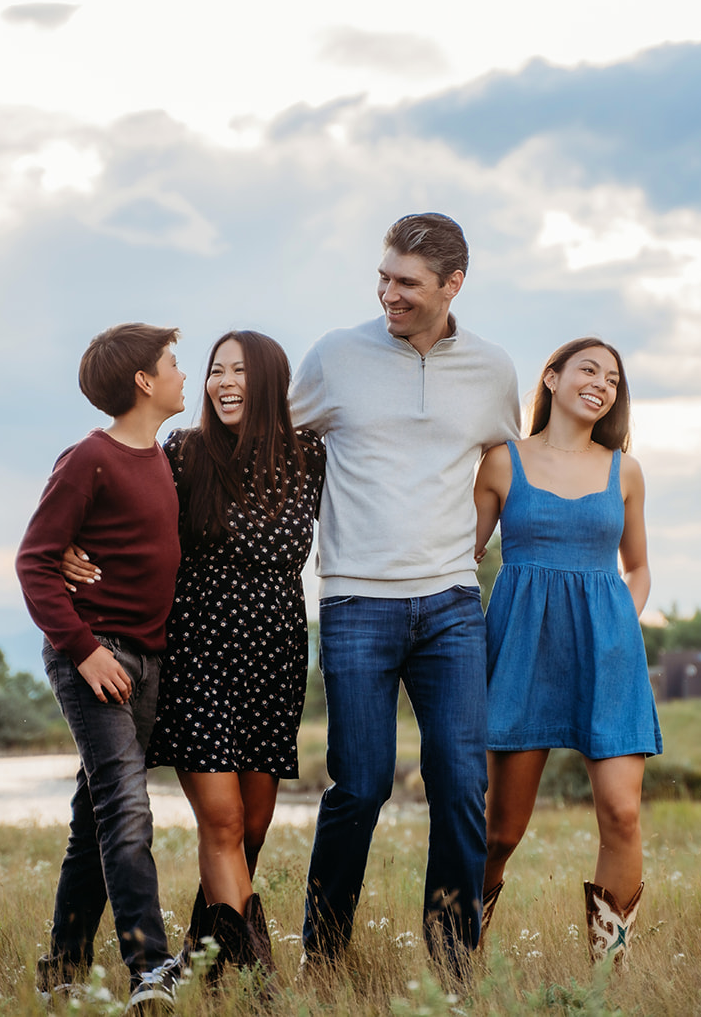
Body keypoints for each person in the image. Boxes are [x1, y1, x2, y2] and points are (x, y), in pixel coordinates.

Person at [291, 213, 521, 976]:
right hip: (356, 601)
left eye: (407, 283)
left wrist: (474, 540)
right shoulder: (335, 356)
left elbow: (498, 461)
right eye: (383, 277)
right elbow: (265, 448)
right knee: (360, 784)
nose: (389, 293)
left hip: (452, 603)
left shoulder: (491, 370)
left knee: (461, 783)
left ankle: (454, 965)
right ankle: (323, 958)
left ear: (453, 285)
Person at [62, 330, 324, 989]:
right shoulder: (184, 452)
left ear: (271, 381)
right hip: (198, 656)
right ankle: (262, 984)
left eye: (239, 370)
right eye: (214, 370)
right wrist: (70, 548)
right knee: (225, 821)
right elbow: (122, 503)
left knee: (253, 825)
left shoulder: (309, 455)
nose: (223, 381)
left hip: (276, 658)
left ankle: (200, 962)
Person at [15, 322, 188, 1014]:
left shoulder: (161, 458)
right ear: (144, 381)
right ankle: (149, 967)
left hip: (146, 660)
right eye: (174, 363)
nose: (184, 373)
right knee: (125, 808)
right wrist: (84, 650)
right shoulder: (88, 458)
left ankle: (61, 969)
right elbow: (34, 559)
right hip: (96, 656)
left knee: (95, 819)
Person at [472, 337, 660, 967]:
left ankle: (609, 973)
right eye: (588, 370)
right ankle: (459, 958)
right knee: (500, 832)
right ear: (551, 378)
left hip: (608, 660)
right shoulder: (502, 462)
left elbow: (637, 570)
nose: (601, 384)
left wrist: (618, 628)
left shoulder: (624, 471)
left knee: (622, 813)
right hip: (522, 656)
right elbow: (456, 558)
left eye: (612, 378)